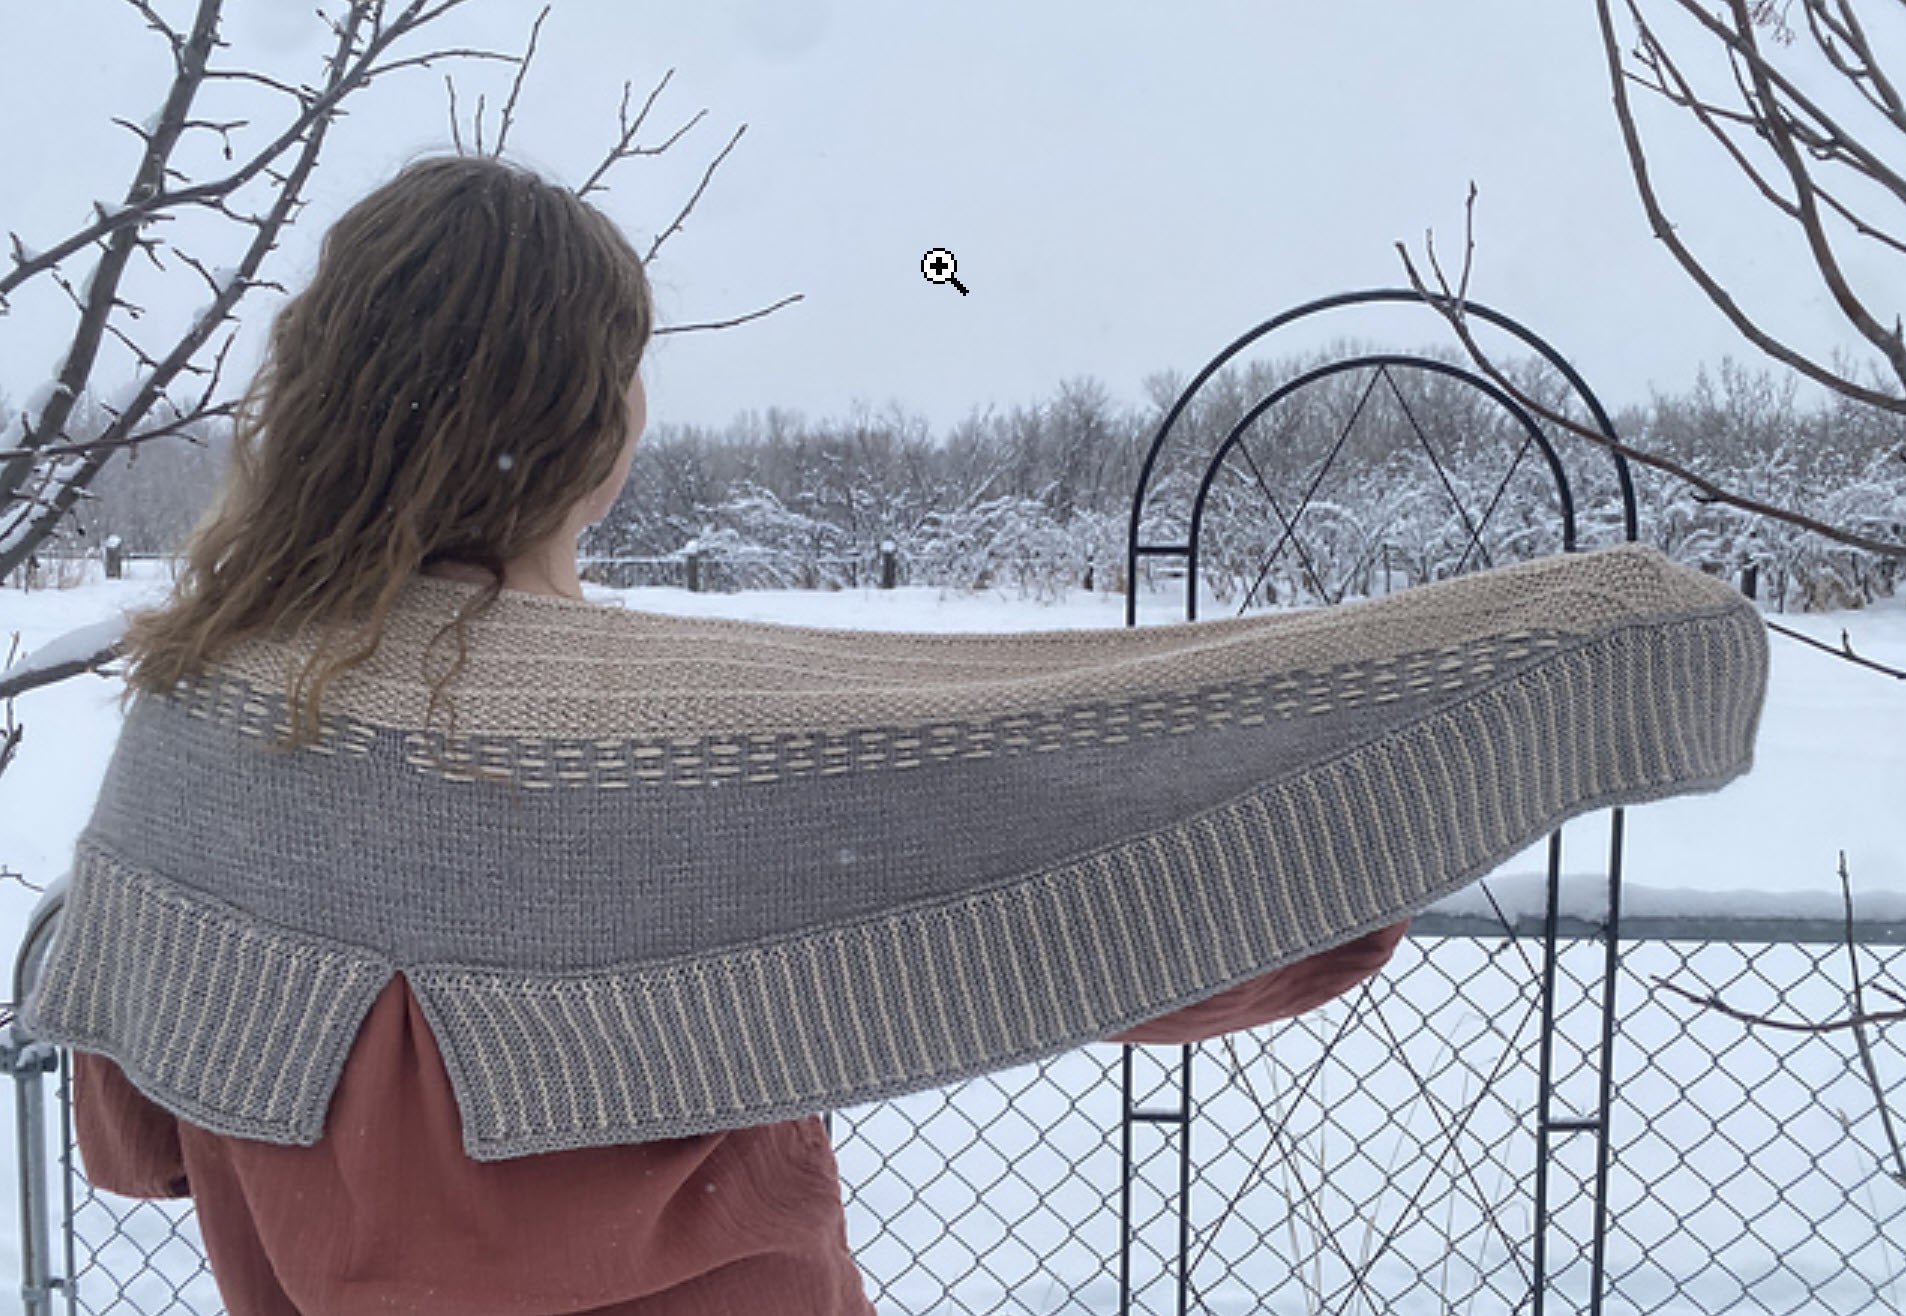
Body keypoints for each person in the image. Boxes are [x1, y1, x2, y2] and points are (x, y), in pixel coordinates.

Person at [59, 154, 1411, 1315]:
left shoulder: (200, 714)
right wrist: (1399, 788)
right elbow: (1194, 934)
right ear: (593, 432)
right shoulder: (674, 749)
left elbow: (134, 1137)